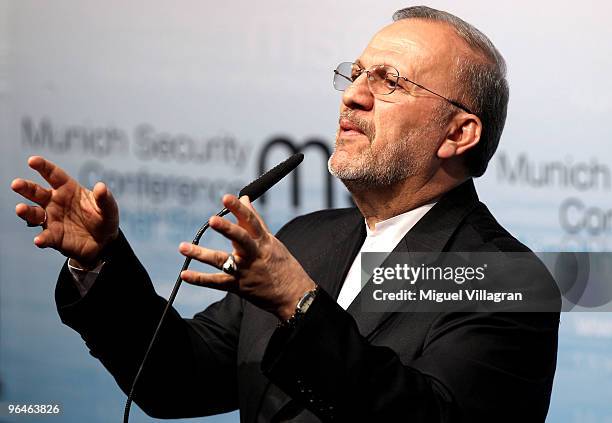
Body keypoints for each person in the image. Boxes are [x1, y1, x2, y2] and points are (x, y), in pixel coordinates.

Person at [11, 6, 559, 422]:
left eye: (390, 82)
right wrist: (100, 262)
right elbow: (175, 378)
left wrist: (299, 305)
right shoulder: (306, 240)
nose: (354, 97)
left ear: (459, 133)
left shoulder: (504, 279)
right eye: (357, 74)